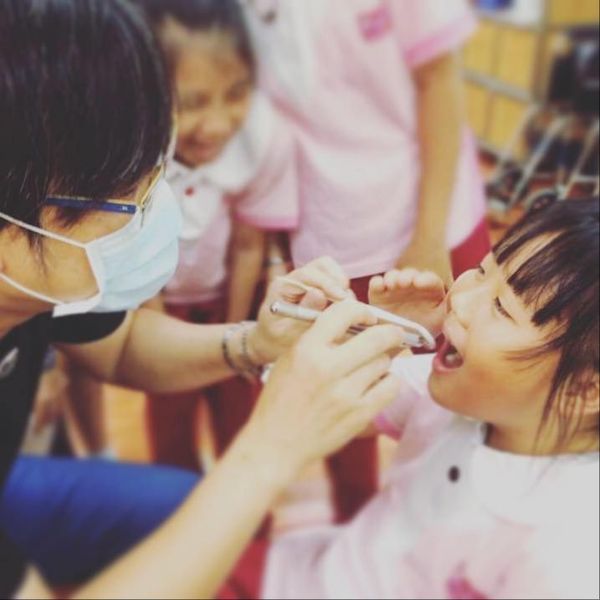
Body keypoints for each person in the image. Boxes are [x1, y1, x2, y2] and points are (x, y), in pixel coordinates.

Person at [0, 1, 404, 596]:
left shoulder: (37, 282)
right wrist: (270, 450)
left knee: (190, 510)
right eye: (127, 201)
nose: (154, 215)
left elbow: (120, 346)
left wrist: (252, 342)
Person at [217, 198, 599, 600]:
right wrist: (377, 334)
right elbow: (307, 403)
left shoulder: (568, 553)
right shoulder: (441, 385)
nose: (460, 298)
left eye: (501, 307)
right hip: (301, 574)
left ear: (584, 389)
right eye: (481, 271)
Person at [241, 0, 492, 522]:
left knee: (475, 387)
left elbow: (439, 82)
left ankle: (464, 522)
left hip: (438, 220)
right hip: (331, 232)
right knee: (346, 397)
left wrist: (429, 237)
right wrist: (274, 255)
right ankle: (357, 523)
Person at [135, 0, 298, 470]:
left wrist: (235, 330)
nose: (219, 124)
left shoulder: (256, 143)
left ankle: (246, 508)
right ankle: (174, 497)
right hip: (159, 307)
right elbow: (139, 251)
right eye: (193, 103)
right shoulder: (136, 148)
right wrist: (161, 332)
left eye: (237, 93)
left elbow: (248, 247)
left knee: (240, 425)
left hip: (230, 301)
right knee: (169, 426)